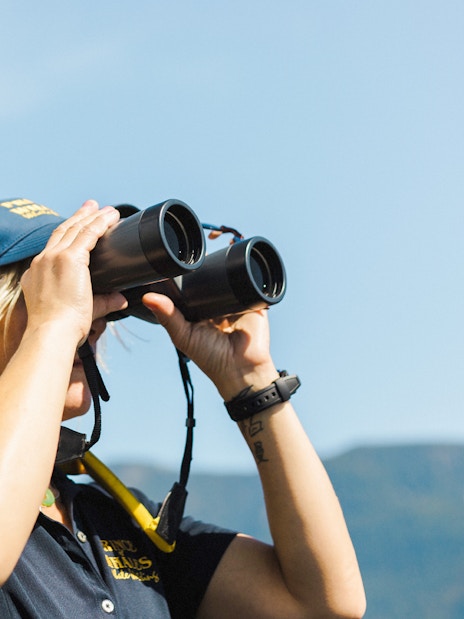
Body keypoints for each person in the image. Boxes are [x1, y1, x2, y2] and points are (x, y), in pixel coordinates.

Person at [0, 198, 366, 618]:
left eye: (94, 290)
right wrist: (55, 325)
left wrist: (251, 386)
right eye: (49, 291)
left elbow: (322, 605)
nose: (92, 321)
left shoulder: (117, 523)